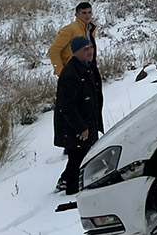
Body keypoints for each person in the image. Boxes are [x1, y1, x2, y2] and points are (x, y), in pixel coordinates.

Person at [53, 36, 103, 195]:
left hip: (86, 121)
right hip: (73, 126)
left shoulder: (87, 66)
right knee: (78, 157)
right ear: (75, 53)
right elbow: (66, 106)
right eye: (85, 49)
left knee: (81, 155)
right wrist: (81, 127)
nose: (90, 51)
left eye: (90, 47)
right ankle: (71, 191)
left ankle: (65, 181)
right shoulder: (71, 74)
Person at [48, 2, 97, 77]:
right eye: (84, 13)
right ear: (76, 15)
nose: (87, 15)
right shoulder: (69, 30)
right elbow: (53, 51)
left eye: (89, 12)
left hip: (88, 70)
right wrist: (61, 73)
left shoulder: (91, 30)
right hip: (72, 72)